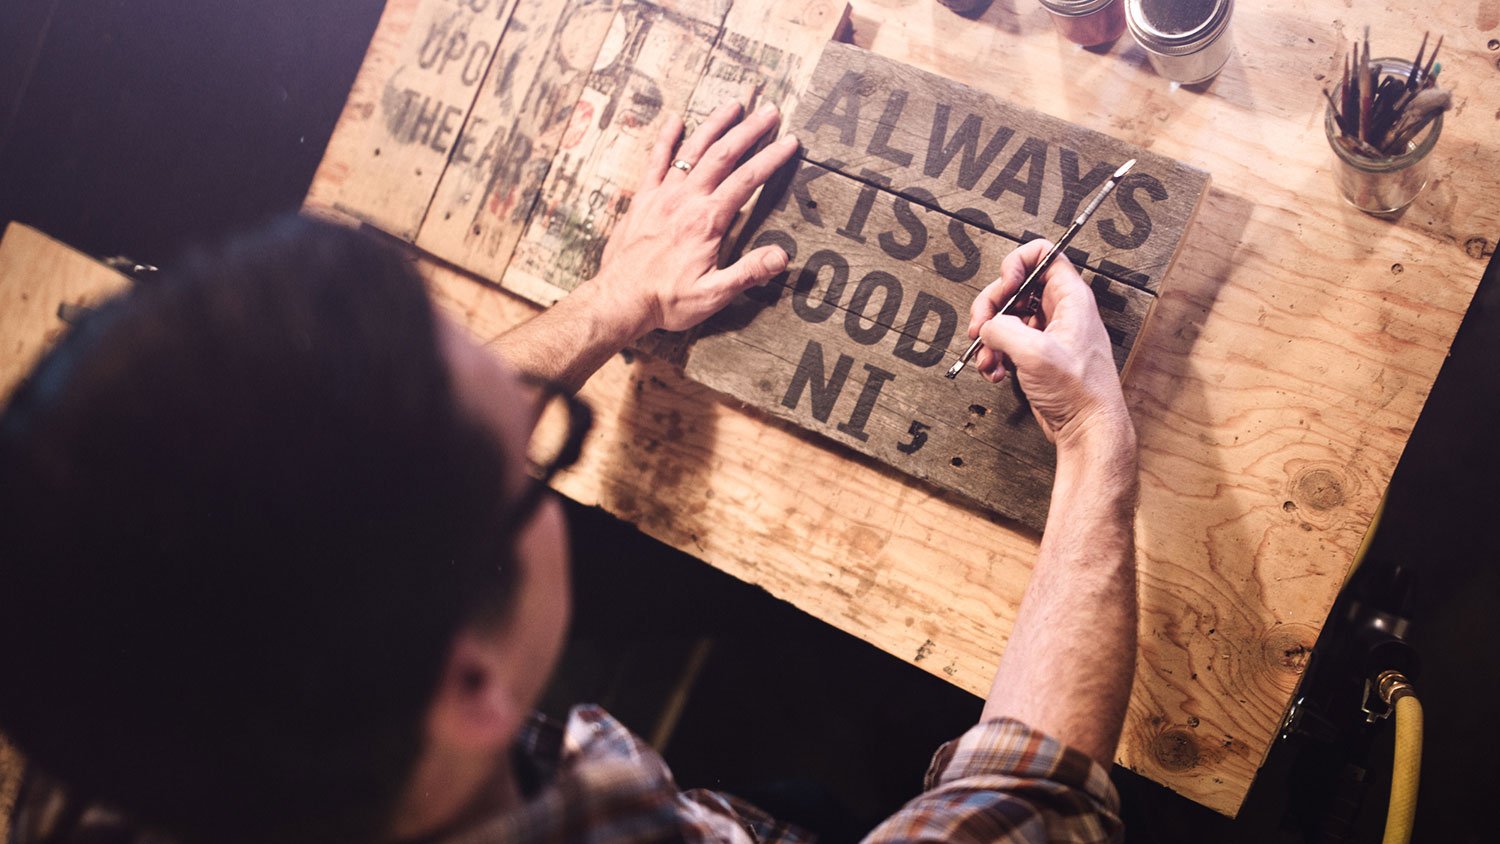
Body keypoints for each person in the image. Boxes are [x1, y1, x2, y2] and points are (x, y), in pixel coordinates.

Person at [0, 101, 1137, 843]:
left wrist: (609, 301)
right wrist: (1092, 443)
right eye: (537, 447)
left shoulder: (108, 686)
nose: (533, 406)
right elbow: (1029, 807)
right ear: (470, 689)